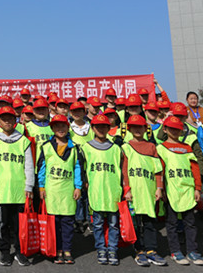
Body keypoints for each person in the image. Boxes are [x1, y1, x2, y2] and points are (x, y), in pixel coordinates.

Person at [0, 106, 34, 267]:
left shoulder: (23, 141)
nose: (7, 121)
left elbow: (29, 165)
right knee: (3, 224)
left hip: (20, 190)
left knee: (20, 225)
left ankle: (20, 252)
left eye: (10, 118)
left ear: (16, 120)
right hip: (2, 190)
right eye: (4, 119)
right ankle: (5, 252)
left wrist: (29, 186)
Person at [157, 116, 203, 266]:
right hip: (171, 191)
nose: (175, 131)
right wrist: (161, 189)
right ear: (165, 129)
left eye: (177, 129)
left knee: (190, 223)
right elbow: (159, 171)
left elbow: (195, 169)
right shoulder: (161, 148)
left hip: (187, 190)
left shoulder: (187, 148)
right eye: (171, 128)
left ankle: (192, 251)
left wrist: (197, 188)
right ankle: (175, 251)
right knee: (171, 224)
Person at [121, 114, 166, 266]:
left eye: (140, 127)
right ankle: (139, 250)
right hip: (134, 192)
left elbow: (158, 170)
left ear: (145, 128)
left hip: (149, 190)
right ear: (129, 129)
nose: (137, 129)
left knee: (149, 221)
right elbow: (124, 171)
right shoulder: (126, 147)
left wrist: (159, 188)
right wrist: (127, 189)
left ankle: (151, 250)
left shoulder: (151, 147)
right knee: (135, 223)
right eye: (134, 127)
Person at [37, 114, 81, 264]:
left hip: (68, 190)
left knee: (67, 223)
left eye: (63, 126)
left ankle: (67, 249)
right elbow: (42, 169)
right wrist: (41, 187)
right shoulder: (46, 147)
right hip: (52, 191)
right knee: (54, 223)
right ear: (52, 128)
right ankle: (57, 249)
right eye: (57, 126)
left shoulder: (74, 147)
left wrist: (78, 187)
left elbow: (77, 168)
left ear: (68, 128)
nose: (60, 129)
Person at [80, 113, 123, 266]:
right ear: (92, 128)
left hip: (112, 189)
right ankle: (101, 249)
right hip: (96, 189)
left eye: (104, 126)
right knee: (97, 224)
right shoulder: (86, 147)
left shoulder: (116, 148)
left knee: (113, 224)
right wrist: (84, 183)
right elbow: (82, 168)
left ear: (109, 128)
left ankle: (112, 249)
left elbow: (121, 170)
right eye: (98, 126)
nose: (101, 129)